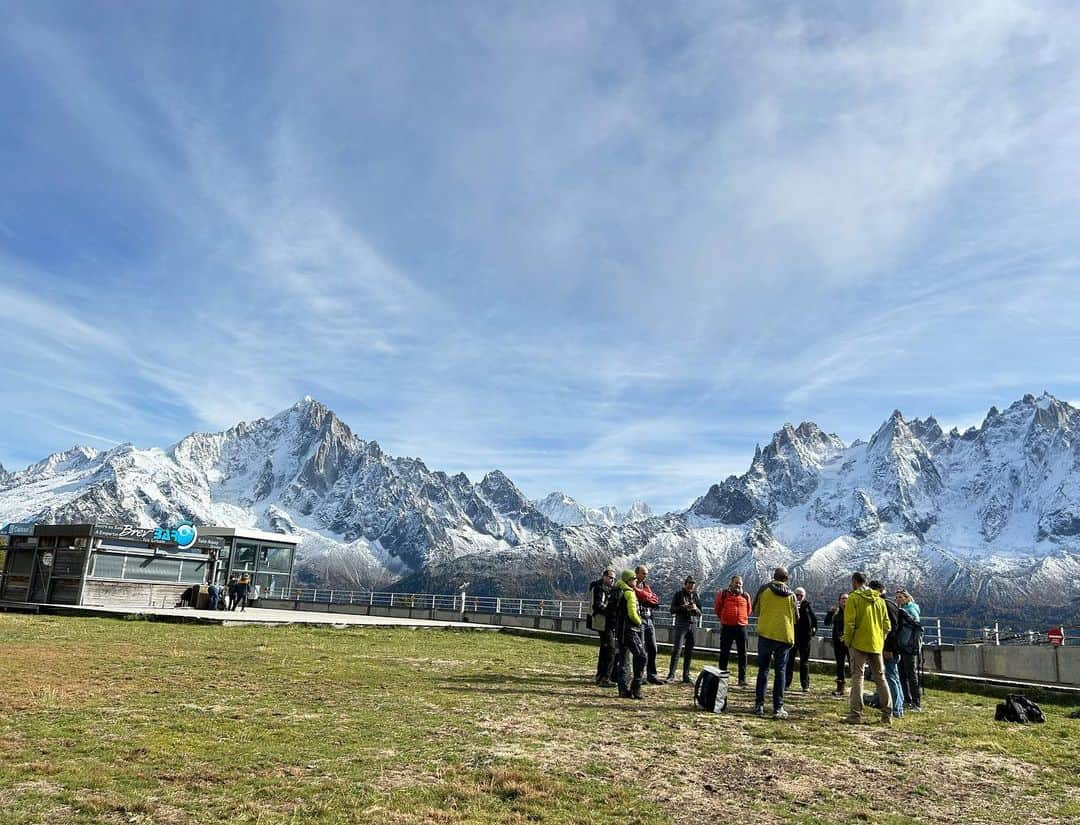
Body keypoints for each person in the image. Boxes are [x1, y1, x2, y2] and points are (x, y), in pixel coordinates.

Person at [842, 572, 892, 725]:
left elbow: (850, 623)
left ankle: (855, 715)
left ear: (854, 582)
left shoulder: (854, 598)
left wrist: (848, 641)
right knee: (881, 678)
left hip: (858, 643)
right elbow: (887, 625)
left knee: (858, 677)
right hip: (876, 644)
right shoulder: (880, 601)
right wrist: (880, 639)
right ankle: (887, 715)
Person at [751, 566, 798, 718]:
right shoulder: (792, 595)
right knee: (780, 672)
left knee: (763, 670)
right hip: (784, 636)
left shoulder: (764, 589)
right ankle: (778, 707)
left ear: (774, 576)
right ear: (786, 579)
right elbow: (796, 617)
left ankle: (759, 705)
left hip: (766, 633)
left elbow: (755, 610)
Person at [613, 569, 647, 699]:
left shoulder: (618, 590)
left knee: (623, 660)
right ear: (628, 580)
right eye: (633, 579)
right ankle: (636, 687)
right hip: (630, 630)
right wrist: (639, 622)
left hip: (620, 630)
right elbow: (632, 613)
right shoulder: (629, 593)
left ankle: (623, 689)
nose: (635, 581)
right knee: (642, 656)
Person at [874, 581, 904, 718]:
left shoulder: (885, 605)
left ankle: (896, 709)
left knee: (890, 677)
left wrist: (888, 648)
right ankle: (899, 705)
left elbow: (892, 629)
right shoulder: (891, 604)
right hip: (894, 647)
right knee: (894, 676)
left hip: (889, 648)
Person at [715, 575, 752, 686]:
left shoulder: (745, 596)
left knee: (743, 653)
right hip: (727, 627)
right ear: (731, 583)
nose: (738, 585)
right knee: (724, 652)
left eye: (740, 583)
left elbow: (749, 610)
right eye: (736, 583)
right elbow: (717, 608)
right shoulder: (723, 594)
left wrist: (742, 618)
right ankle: (722, 676)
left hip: (741, 627)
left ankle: (742, 679)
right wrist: (724, 618)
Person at [666, 576, 702, 683]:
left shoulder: (695, 595)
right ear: (685, 584)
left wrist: (695, 608)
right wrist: (683, 607)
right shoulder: (678, 594)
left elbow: (700, 612)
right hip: (681, 624)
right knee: (677, 650)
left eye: (693, 584)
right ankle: (671, 675)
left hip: (693, 625)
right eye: (689, 584)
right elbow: (672, 610)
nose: (691, 586)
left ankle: (686, 676)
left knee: (689, 651)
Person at [633, 565, 663, 685]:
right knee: (640, 649)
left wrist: (647, 597)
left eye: (646, 573)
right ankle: (638, 675)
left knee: (653, 648)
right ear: (637, 573)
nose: (646, 575)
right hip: (640, 619)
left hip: (649, 619)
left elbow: (654, 598)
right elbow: (646, 597)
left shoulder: (646, 586)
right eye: (643, 573)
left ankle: (651, 675)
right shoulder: (633, 586)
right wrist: (647, 597)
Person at [785, 587, 818, 692]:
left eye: (801, 595)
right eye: (797, 595)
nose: (799, 597)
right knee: (790, 661)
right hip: (792, 637)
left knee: (804, 662)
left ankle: (805, 685)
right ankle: (786, 683)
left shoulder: (807, 606)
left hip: (805, 638)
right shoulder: (789, 604)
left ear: (804, 596)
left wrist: (813, 631)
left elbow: (814, 620)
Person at [588, 569, 617, 686]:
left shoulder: (602, 588)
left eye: (613, 578)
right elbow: (598, 605)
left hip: (604, 623)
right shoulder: (600, 588)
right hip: (603, 623)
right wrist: (611, 611)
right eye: (610, 577)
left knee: (605, 649)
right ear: (604, 577)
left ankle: (601, 676)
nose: (612, 580)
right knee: (609, 649)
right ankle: (605, 677)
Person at [895, 589, 922, 710]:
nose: (898, 599)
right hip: (902, 645)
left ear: (906, 598)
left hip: (908, 646)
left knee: (910, 674)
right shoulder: (904, 609)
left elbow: (915, 623)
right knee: (902, 673)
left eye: (900, 597)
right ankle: (907, 699)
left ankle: (916, 702)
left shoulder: (910, 609)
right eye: (897, 597)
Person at [824, 593, 849, 696]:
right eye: (843, 598)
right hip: (838, 642)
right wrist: (830, 613)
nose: (844, 600)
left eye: (846, 599)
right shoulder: (836, 612)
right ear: (839, 600)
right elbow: (826, 623)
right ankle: (840, 687)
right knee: (840, 664)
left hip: (849, 642)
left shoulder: (852, 611)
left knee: (854, 664)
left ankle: (856, 688)